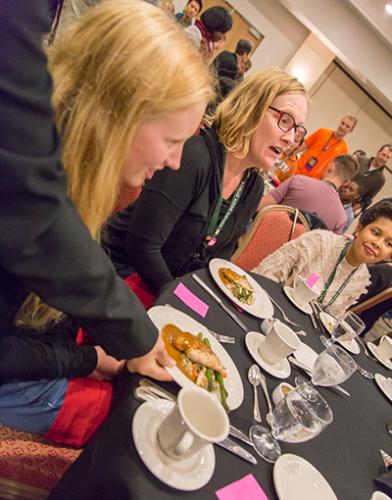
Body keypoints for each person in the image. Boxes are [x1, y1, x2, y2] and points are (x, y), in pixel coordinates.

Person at [0, 0, 213, 447]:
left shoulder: (74, 176)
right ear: (118, 115)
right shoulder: (26, 189)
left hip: (40, 349)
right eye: (172, 141)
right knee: (127, 428)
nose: (175, 161)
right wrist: (84, 358)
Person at [103, 68, 307, 294]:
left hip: (167, 288)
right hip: (119, 276)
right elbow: (143, 248)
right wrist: (186, 301)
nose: (290, 138)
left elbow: (218, 259)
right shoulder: (195, 157)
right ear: (252, 108)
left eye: (298, 130)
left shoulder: (252, 186)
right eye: (285, 120)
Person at [253, 201, 392, 317]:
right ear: (359, 228)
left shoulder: (361, 280)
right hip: (265, 306)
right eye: (375, 233)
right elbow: (266, 274)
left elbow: (331, 320)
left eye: (388, 243)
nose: (378, 244)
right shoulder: (320, 242)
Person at [259, 154, 359, 233]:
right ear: (346, 182)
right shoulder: (341, 218)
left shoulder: (298, 181)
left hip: (260, 243)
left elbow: (260, 207)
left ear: (331, 167)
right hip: (296, 258)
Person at [296, 115, 357, 179]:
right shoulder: (322, 131)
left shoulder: (344, 149)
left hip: (313, 180)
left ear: (350, 130)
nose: (343, 127)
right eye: (342, 123)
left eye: (347, 126)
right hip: (297, 168)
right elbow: (303, 145)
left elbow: (333, 171)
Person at [354, 144, 392, 210]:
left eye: (387, 157)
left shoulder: (381, 180)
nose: (384, 159)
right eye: (383, 155)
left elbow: (367, 200)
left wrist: (351, 210)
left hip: (348, 204)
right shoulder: (360, 160)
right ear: (378, 152)